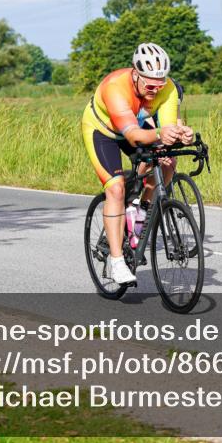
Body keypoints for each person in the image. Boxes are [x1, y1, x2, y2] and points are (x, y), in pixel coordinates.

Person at [82, 43, 194, 284]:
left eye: (160, 84)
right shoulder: (115, 87)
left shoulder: (168, 89)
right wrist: (161, 134)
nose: (155, 90)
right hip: (104, 132)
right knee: (116, 188)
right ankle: (116, 261)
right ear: (135, 74)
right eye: (150, 85)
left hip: (137, 126)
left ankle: (139, 213)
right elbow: (133, 135)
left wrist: (181, 135)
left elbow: (166, 127)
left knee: (167, 162)